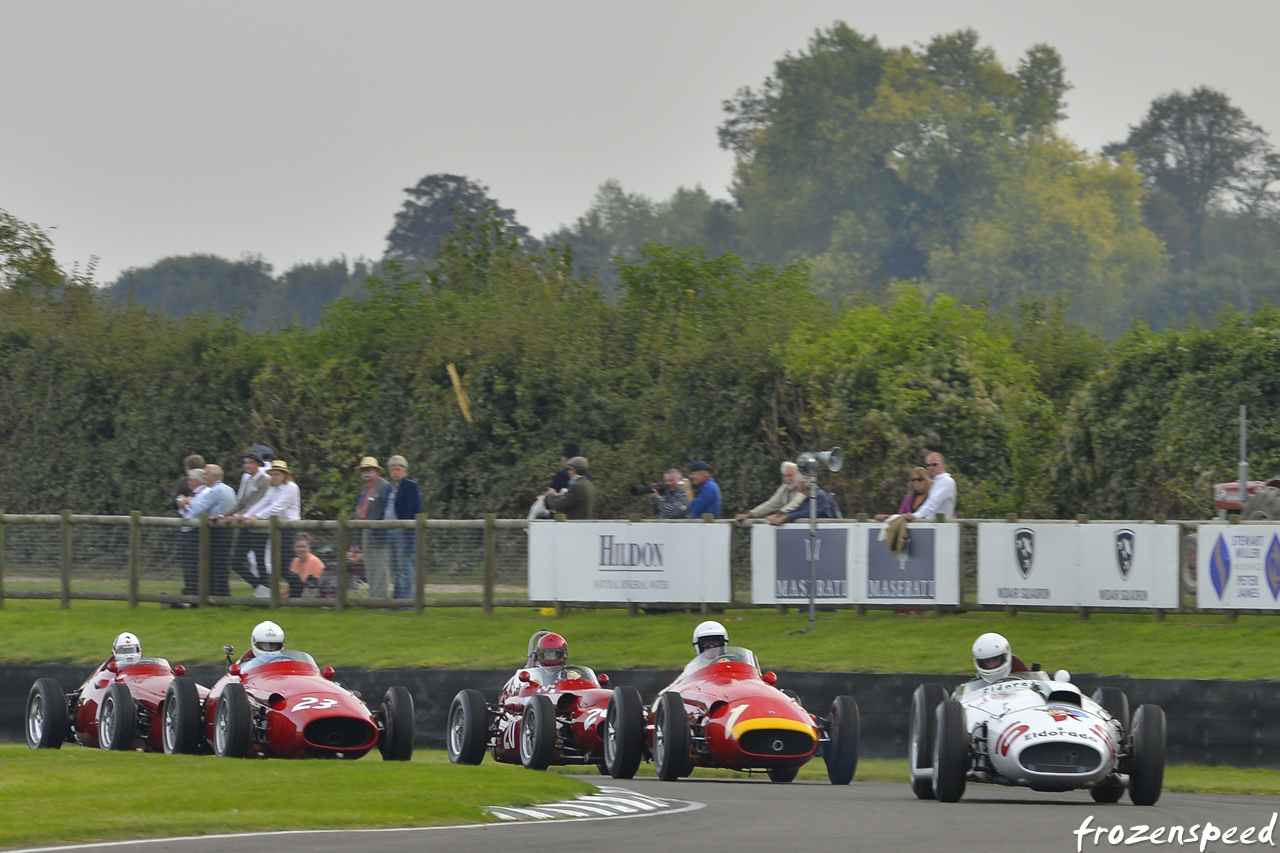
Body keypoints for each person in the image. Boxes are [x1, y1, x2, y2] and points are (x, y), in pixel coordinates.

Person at [230, 460, 302, 598]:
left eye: (277, 474)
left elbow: (277, 507)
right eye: (273, 474)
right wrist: (245, 516)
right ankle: (291, 595)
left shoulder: (291, 487)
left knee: (285, 565)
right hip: (277, 529)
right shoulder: (272, 489)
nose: (274, 477)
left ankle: (298, 592)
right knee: (276, 565)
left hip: (290, 529)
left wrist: (256, 517)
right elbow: (262, 503)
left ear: (284, 475)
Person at [178, 464, 237, 600]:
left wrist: (188, 500)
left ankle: (216, 596)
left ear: (214, 476)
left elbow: (199, 509)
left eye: (206, 474)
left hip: (216, 532)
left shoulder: (214, 490)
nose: (204, 477)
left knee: (215, 565)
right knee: (222, 564)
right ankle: (223, 595)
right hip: (228, 531)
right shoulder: (229, 489)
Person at [221, 449, 272, 593]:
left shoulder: (265, 481)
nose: (247, 466)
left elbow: (256, 504)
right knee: (236, 561)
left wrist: (239, 516)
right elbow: (241, 503)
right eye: (246, 463)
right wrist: (222, 515)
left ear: (258, 465)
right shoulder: (248, 480)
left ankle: (266, 592)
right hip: (246, 526)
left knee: (260, 562)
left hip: (258, 526)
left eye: (250, 463)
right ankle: (261, 588)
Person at [383, 455, 423, 600]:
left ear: (405, 470)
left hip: (403, 532)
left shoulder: (411, 486)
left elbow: (416, 509)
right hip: (388, 532)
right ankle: (397, 599)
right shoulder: (388, 488)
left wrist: (404, 524)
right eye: (392, 469)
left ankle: (405, 601)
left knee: (403, 567)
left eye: (398, 469)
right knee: (394, 566)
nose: (395, 472)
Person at [354, 456, 392, 598]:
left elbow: (389, 510)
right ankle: (374, 596)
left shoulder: (383, 486)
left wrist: (383, 528)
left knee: (380, 567)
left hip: (378, 533)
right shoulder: (367, 487)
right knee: (370, 566)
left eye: (369, 469)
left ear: (376, 471)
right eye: (363, 470)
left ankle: (381, 598)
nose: (366, 472)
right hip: (365, 531)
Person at [736, 461, 805, 522]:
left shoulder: (804, 486)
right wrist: (749, 514)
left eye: (790, 475)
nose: (787, 479)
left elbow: (794, 504)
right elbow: (771, 504)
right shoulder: (784, 488)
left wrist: (777, 515)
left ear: (798, 475)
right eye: (785, 476)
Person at [905, 452, 957, 521]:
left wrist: (916, 515)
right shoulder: (936, 482)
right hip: (933, 525)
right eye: (928, 465)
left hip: (941, 527)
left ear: (943, 465)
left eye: (935, 464)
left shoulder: (946, 481)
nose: (931, 467)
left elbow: (933, 503)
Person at [768, 477, 839, 524]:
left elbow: (808, 513)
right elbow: (798, 510)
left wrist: (785, 518)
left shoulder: (820, 496)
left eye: (800, 483)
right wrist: (779, 515)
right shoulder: (809, 497)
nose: (798, 485)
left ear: (806, 484)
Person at [284, 532, 325, 598]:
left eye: (303, 547)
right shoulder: (294, 561)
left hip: (314, 590)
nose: (301, 550)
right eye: (298, 547)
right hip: (300, 590)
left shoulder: (314, 561)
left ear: (309, 548)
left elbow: (303, 580)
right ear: (294, 548)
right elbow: (292, 583)